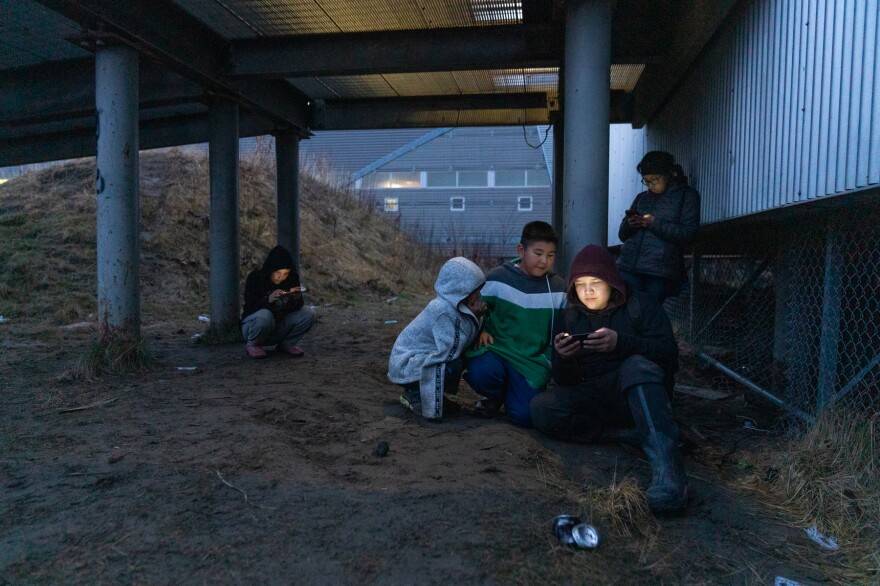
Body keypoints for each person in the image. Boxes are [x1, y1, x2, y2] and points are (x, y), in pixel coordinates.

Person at [530, 244, 689, 513]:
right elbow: (566, 382)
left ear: (611, 282)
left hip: (639, 396)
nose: (588, 291)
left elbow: (669, 357)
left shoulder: (641, 305)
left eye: (596, 283)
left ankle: (669, 471)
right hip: (597, 397)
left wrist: (621, 343)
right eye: (580, 285)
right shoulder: (570, 316)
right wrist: (564, 357)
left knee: (636, 366)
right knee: (541, 407)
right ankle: (626, 435)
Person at [463, 221, 567, 428]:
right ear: (521, 250)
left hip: (531, 363)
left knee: (525, 417)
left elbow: (558, 333)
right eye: (538, 253)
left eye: (551, 255)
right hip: (498, 352)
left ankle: (512, 398)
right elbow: (471, 310)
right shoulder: (497, 279)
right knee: (482, 373)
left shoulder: (558, 288)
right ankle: (495, 396)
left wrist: (547, 364)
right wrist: (481, 329)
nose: (544, 261)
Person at [388, 257, 487, 421]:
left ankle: (431, 395)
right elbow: (453, 348)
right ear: (460, 288)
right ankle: (415, 395)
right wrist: (474, 318)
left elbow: (465, 339)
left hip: (418, 358)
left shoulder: (457, 307)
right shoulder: (443, 310)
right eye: (474, 290)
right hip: (406, 362)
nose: (479, 295)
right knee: (451, 362)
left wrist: (477, 317)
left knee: (456, 361)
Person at [617, 150, 701, 304]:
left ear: (667, 174)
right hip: (628, 266)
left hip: (659, 272)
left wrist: (654, 224)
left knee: (650, 314)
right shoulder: (642, 198)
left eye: (654, 180)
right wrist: (630, 224)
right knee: (626, 312)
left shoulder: (686, 196)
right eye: (646, 181)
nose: (650, 185)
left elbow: (688, 233)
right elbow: (622, 235)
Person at [241, 245, 315, 359]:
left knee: (308, 313)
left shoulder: (292, 279)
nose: (281, 278)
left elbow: (298, 305)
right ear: (270, 270)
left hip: (278, 325)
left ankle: (287, 343)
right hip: (255, 326)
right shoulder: (255, 278)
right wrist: (268, 300)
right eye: (278, 273)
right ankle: (253, 345)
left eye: (285, 274)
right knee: (265, 316)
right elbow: (250, 306)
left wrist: (290, 298)